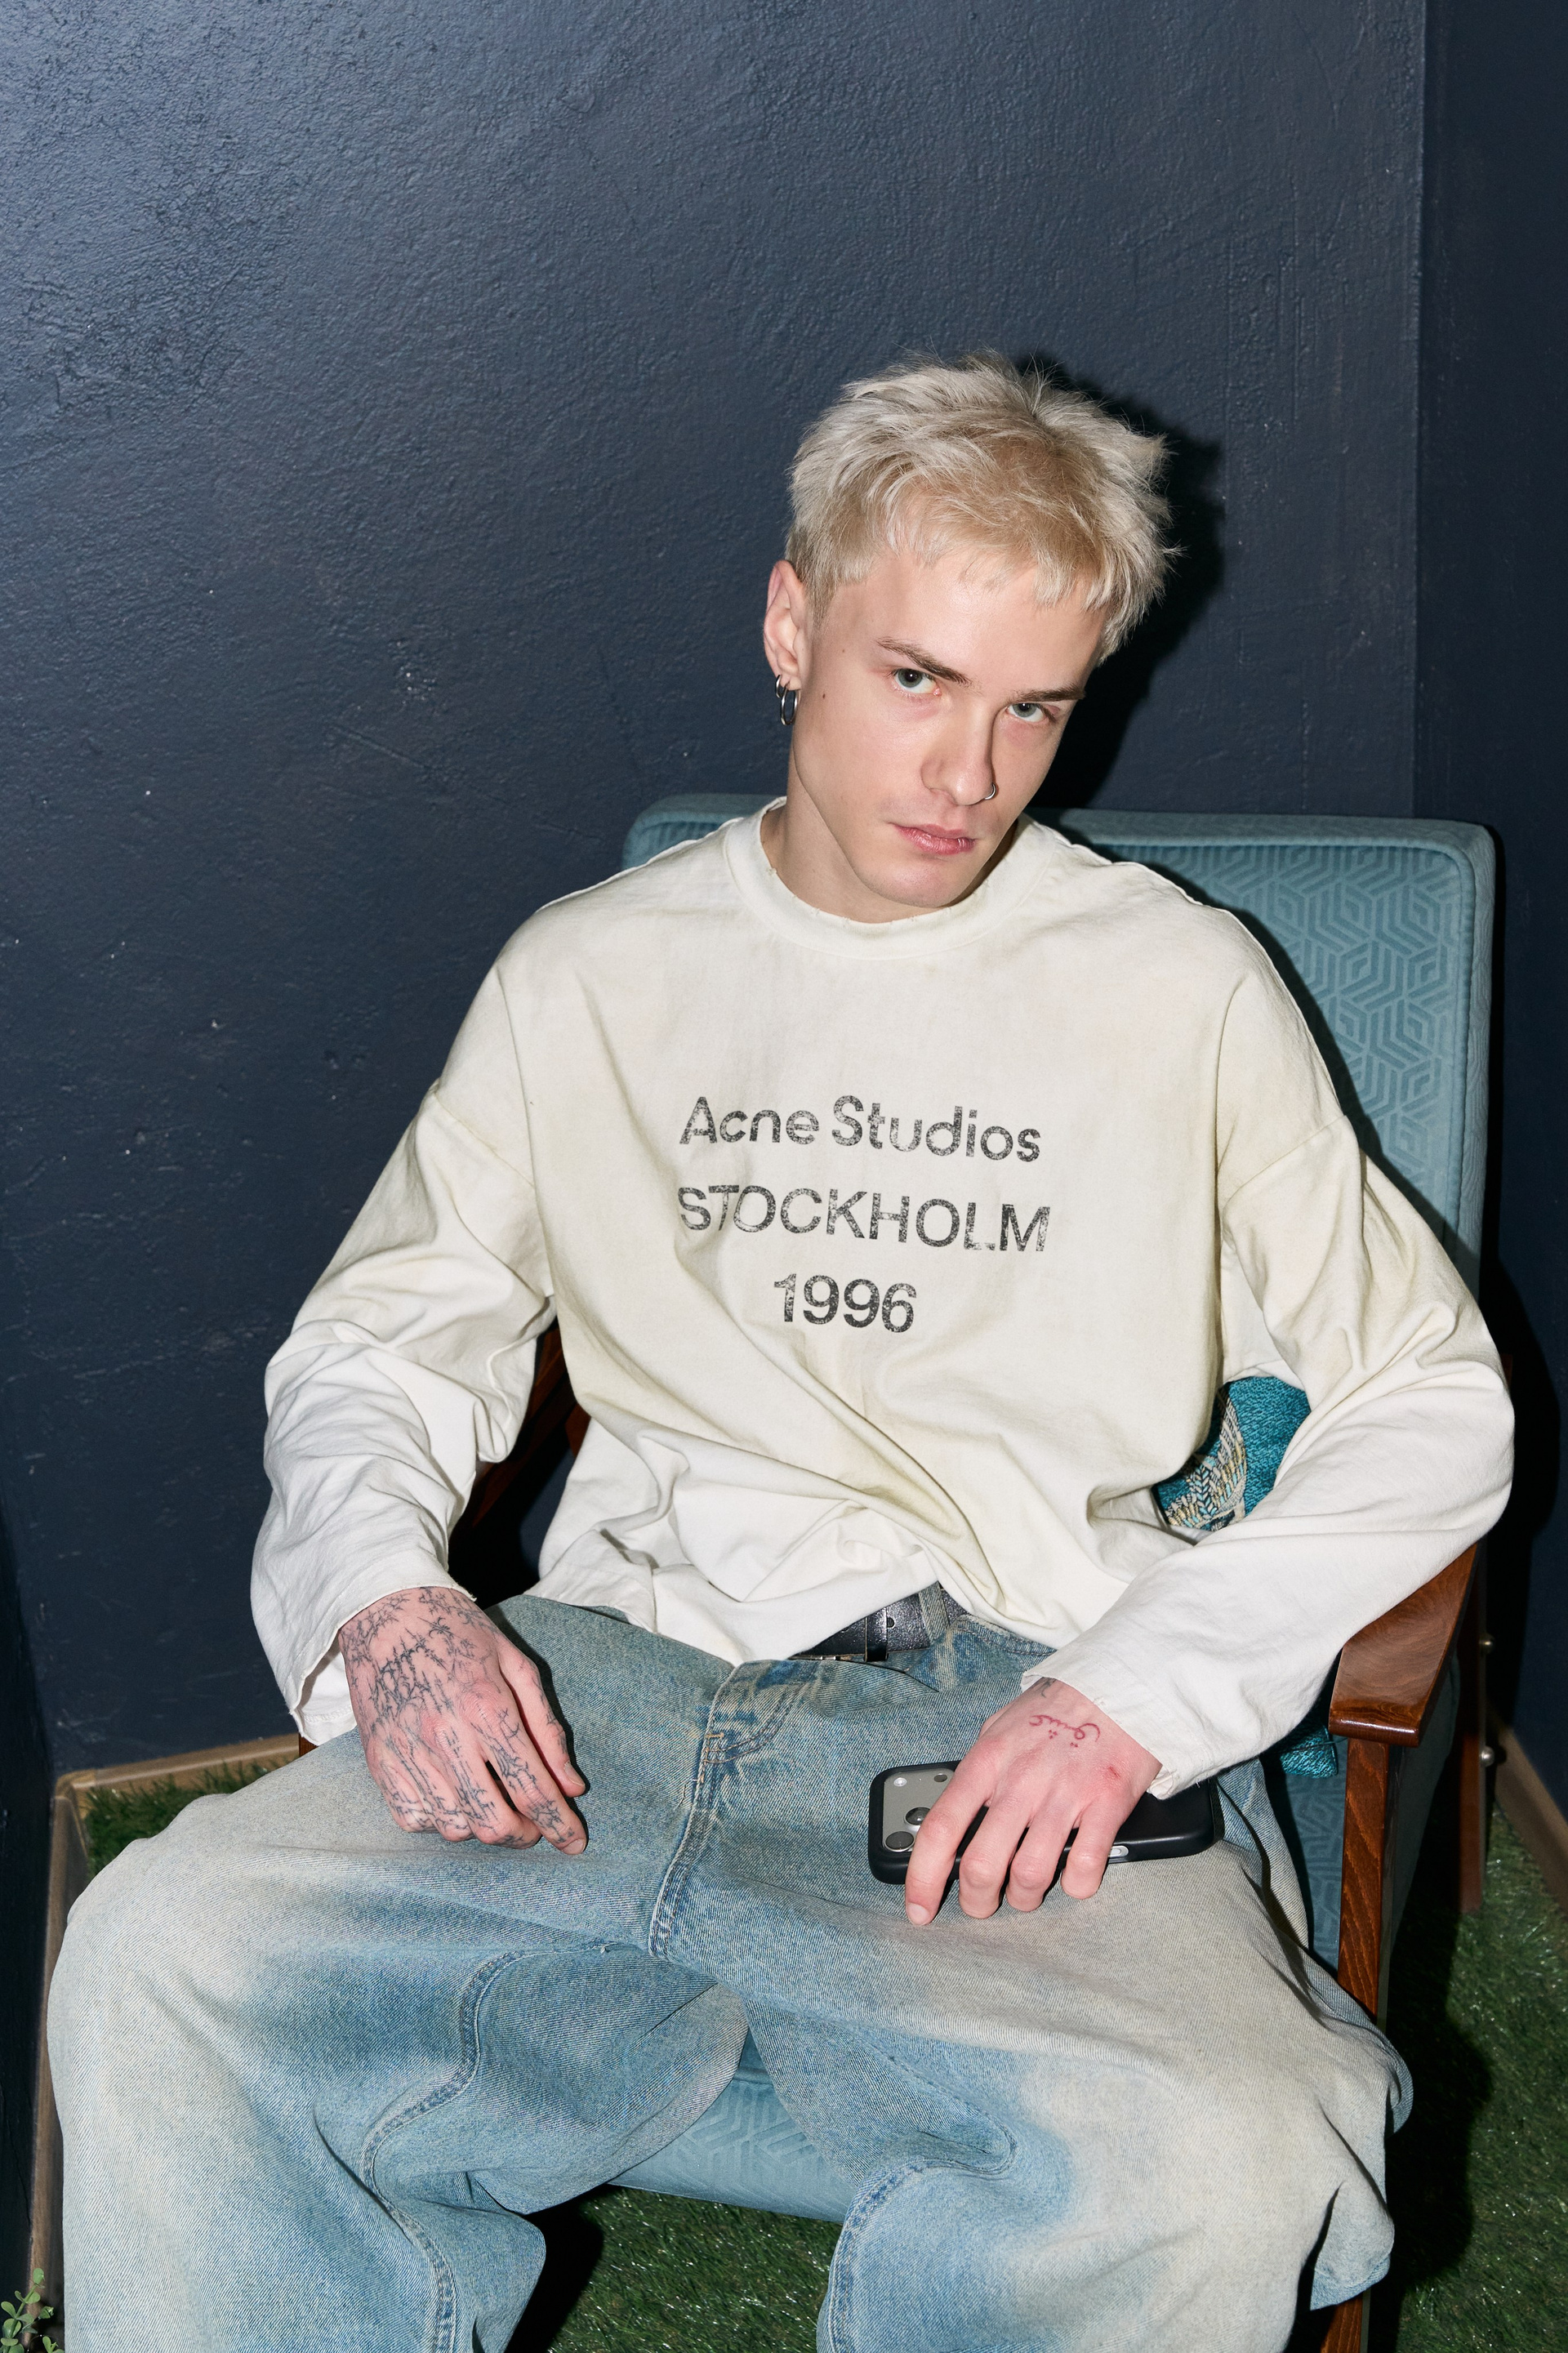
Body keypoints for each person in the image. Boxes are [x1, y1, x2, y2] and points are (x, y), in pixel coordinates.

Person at [51, 354, 1512, 2352]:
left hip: (1002, 1724)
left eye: (1035, 708)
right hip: (609, 1694)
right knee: (161, 1951)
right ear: (792, 624)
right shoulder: (592, 972)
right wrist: (389, 1604)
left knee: (1238, 2152)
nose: (970, 774)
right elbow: (382, 1336)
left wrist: (1135, 1699)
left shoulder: (1180, 992)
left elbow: (1433, 1396)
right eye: (918, 678)